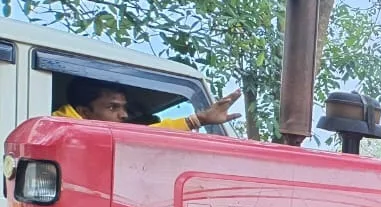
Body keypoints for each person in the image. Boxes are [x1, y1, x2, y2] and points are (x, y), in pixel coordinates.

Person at [53, 76, 241, 130]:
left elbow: (149, 133)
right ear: (84, 112)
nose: (124, 115)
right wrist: (199, 119)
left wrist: (199, 119)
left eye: (124, 107)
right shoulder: (61, 130)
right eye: (112, 107)